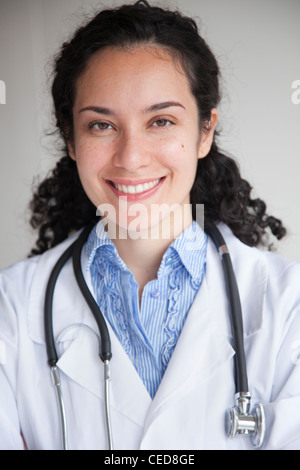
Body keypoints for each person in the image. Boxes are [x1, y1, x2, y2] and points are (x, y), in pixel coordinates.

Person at [0, 0, 299, 450]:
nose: (132, 157)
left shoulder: (288, 304)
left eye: (161, 121)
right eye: (102, 125)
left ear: (204, 132)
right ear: (71, 139)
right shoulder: (12, 308)